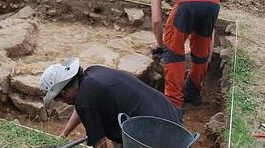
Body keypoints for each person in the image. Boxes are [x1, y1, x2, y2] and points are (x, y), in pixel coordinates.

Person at [40, 58, 182, 148]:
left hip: (157, 137)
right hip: (171, 119)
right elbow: (81, 106)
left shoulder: (85, 98)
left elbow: (100, 144)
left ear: (65, 93)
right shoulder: (92, 73)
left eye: (59, 99)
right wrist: (63, 135)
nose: (61, 102)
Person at [148, 0, 220, 109]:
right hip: (213, 0)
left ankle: (173, 104)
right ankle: (192, 92)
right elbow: (210, 32)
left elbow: (156, 20)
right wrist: (207, 58)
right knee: (200, 53)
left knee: (173, 52)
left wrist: (162, 48)